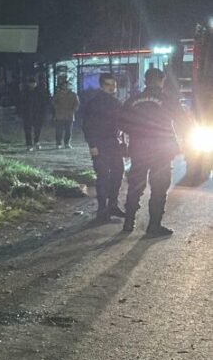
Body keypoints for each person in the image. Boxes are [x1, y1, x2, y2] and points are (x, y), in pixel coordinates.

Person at [120, 67, 190, 236]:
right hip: (161, 150)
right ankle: (154, 226)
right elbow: (183, 122)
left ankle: (128, 222)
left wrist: (136, 133)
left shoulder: (133, 100)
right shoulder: (168, 99)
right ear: (162, 81)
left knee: (135, 185)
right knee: (159, 187)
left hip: (138, 148)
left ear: (145, 81)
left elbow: (122, 122)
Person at [81, 73, 125, 222]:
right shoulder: (94, 103)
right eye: (108, 84)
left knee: (118, 173)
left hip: (114, 142)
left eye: (114, 84)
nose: (112, 87)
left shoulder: (116, 102)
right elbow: (87, 125)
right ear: (101, 85)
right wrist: (92, 145)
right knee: (103, 176)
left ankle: (113, 204)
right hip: (100, 144)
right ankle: (102, 209)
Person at [16, 77, 49, 151]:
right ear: (28, 84)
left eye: (33, 83)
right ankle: (29, 144)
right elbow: (19, 103)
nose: (32, 85)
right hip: (27, 114)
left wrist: (44, 113)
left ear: (36, 84)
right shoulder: (24, 92)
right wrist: (19, 113)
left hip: (38, 114)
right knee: (27, 130)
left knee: (38, 129)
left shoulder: (40, 92)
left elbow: (44, 103)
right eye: (31, 83)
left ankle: (36, 141)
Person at [52, 79, 80, 149]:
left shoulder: (73, 94)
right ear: (62, 86)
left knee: (68, 130)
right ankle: (58, 143)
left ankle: (67, 143)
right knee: (59, 130)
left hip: (69, 115)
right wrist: (56, 107)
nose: (66, 86)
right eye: (64, 85)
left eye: (67, 85)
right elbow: (53, 101)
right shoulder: (58, 93)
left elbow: (77, 103)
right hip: (59, 115)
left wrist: (74, 109)